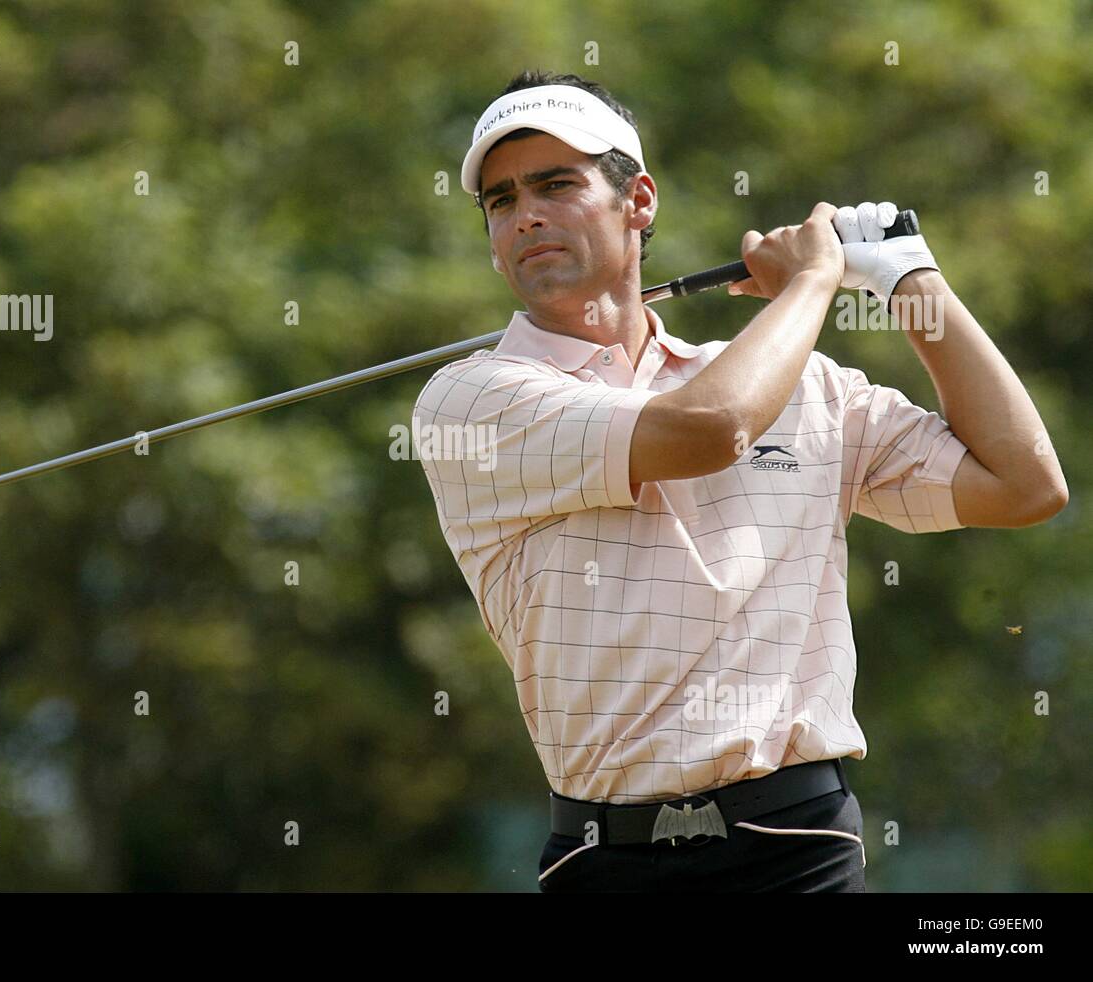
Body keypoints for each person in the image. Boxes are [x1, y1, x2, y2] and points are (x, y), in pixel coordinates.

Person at [411, 70, 1068, 892]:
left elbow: (1023, 483)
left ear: (638, 201)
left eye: (556, 184)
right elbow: (708, 430)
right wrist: (814, 282)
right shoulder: (471, 401)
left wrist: (911, 281)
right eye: (501, 201)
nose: (526, 214)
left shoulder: (805, 383)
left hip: (797, 846)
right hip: (604, 860)